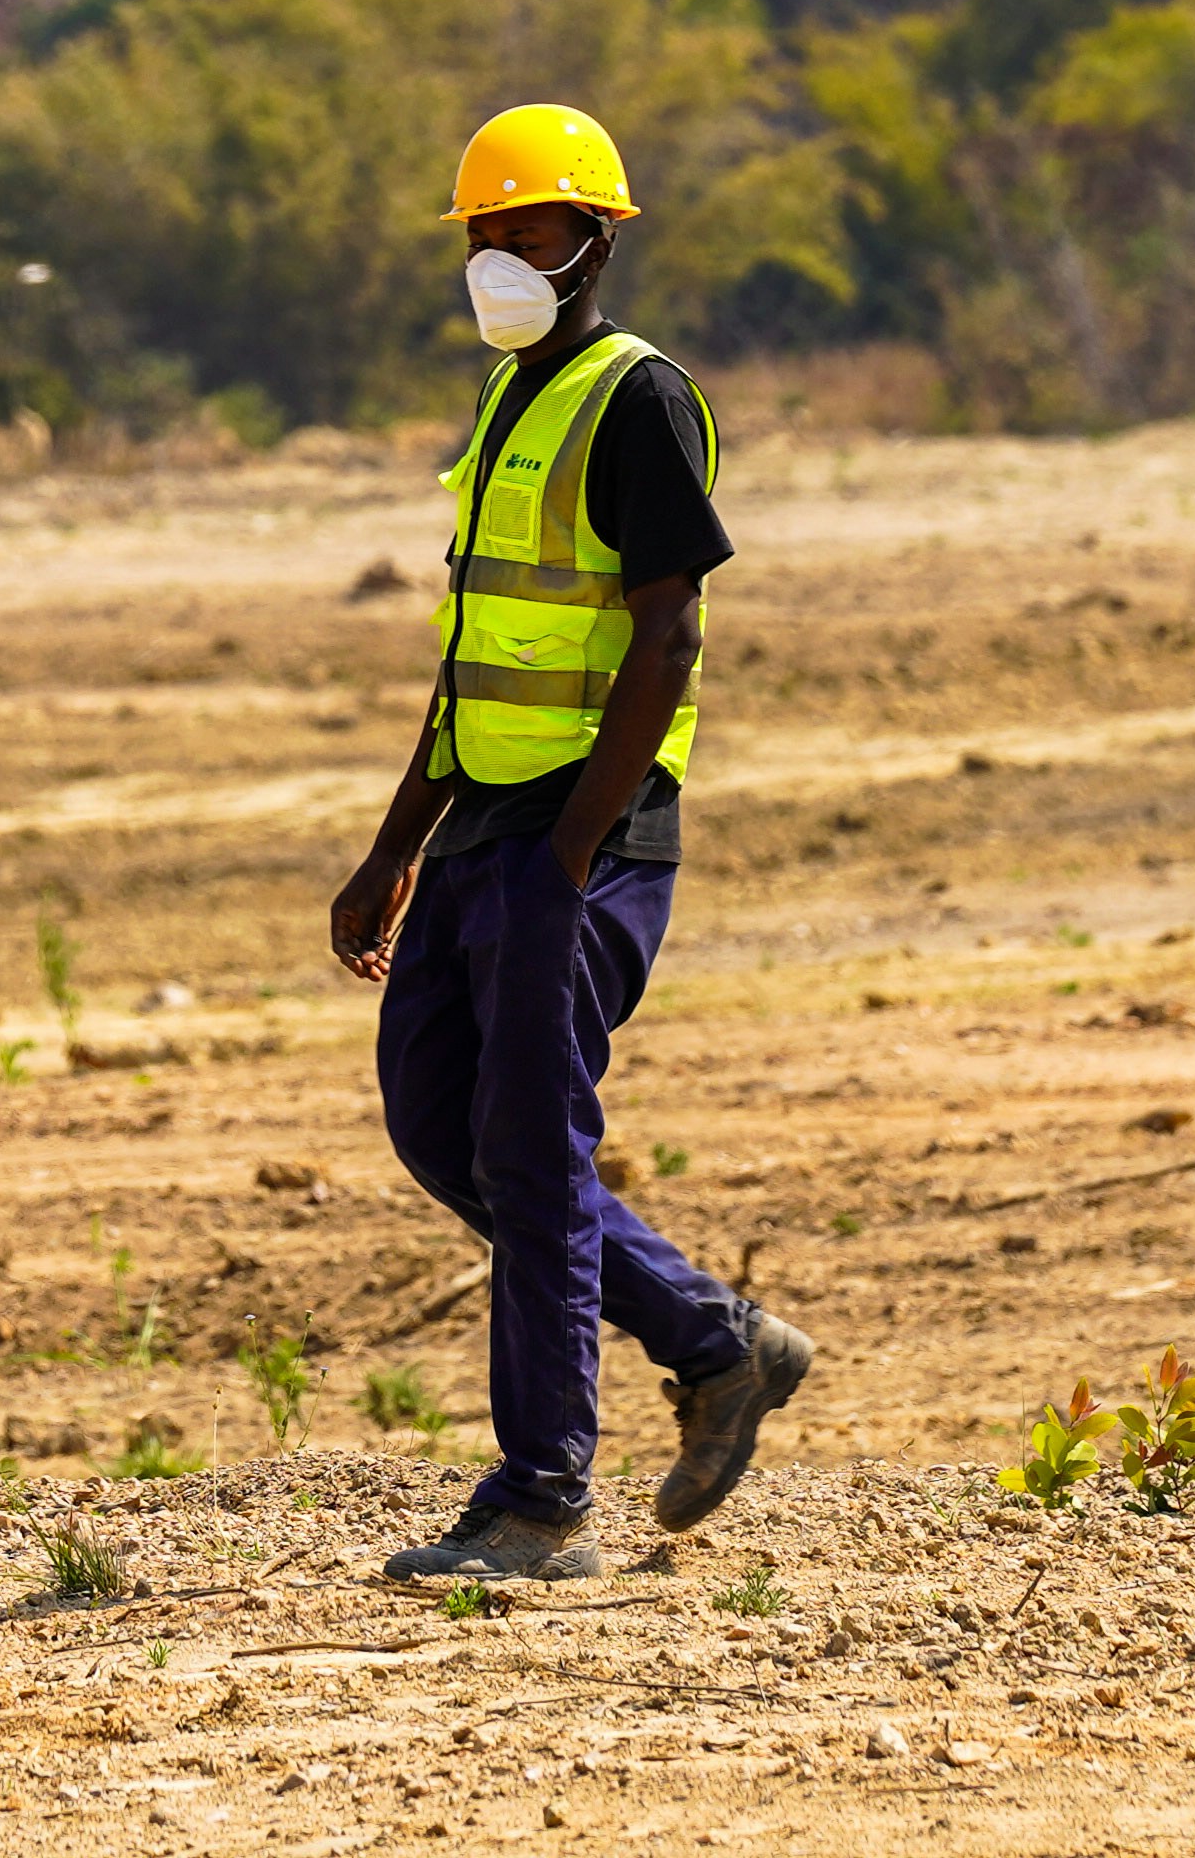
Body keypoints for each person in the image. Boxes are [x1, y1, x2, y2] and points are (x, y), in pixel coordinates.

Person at [324, 101, 812, 1583]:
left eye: (531, 229)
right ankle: (715, 1342)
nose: (502, 256)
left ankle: (541, 1500)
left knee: (534, 1157)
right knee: (438, 1124)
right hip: (481, 822)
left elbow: (667, 635)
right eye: (483, 232)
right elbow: (475, 648)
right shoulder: (503, 401)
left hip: (578, 843)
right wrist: (395, 841)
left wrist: (575, 852)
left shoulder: (637, 397)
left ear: (596, 240)